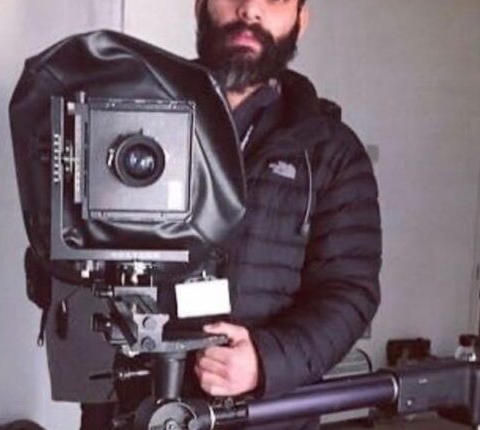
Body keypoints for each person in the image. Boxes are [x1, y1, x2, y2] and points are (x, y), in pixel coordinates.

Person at [186, 0, 382, 428]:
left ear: (300, 20)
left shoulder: (332, 152)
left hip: (270, 415)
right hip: (134, 407)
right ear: (200, 6)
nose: (250, 9)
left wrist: (265, 361)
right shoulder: (130, 118)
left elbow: (349, 291)